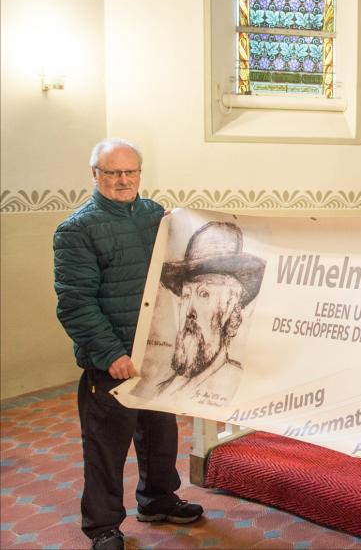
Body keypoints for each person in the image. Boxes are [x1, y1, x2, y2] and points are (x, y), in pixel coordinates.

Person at [53, 139, 203, 550]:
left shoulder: (154, 215)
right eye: (113, 172)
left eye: (130, 171)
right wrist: (110, 354)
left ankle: (157, 499)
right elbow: (75, 303)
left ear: (140, 173)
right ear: (95, 175)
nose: (123, 180)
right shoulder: (76, 230)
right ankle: (102, 525)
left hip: (155, 352)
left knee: (160, 434)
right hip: (113, 359)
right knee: (106, 446)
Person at [155, 221, 266, 401]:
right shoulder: (163, 391)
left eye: (204, 294)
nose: (190, 311)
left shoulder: (234, 384)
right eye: (186, 295)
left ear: (230, 304)